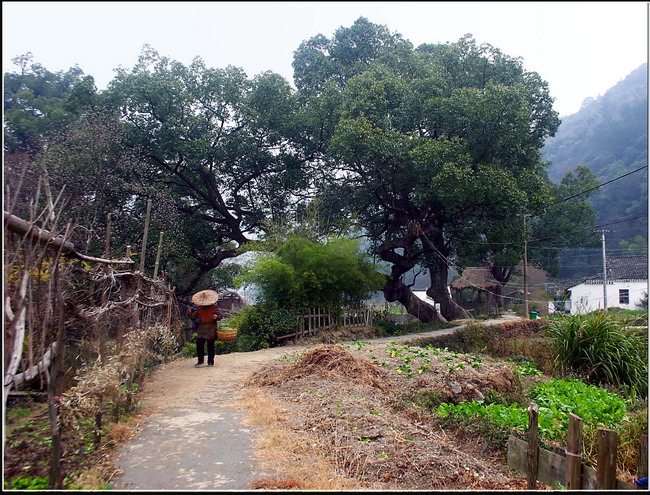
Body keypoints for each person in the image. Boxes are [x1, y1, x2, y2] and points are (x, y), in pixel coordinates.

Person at [188, 290, 223, 368]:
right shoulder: (199, 309)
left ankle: (210, 362)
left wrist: (217, 317)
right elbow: (193, 317)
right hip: (201, 328)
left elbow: (220, 316)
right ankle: (200, 361)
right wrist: (189, 313)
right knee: (199, 344)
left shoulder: (214, 308)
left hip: (211, 328)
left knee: (210, 346)